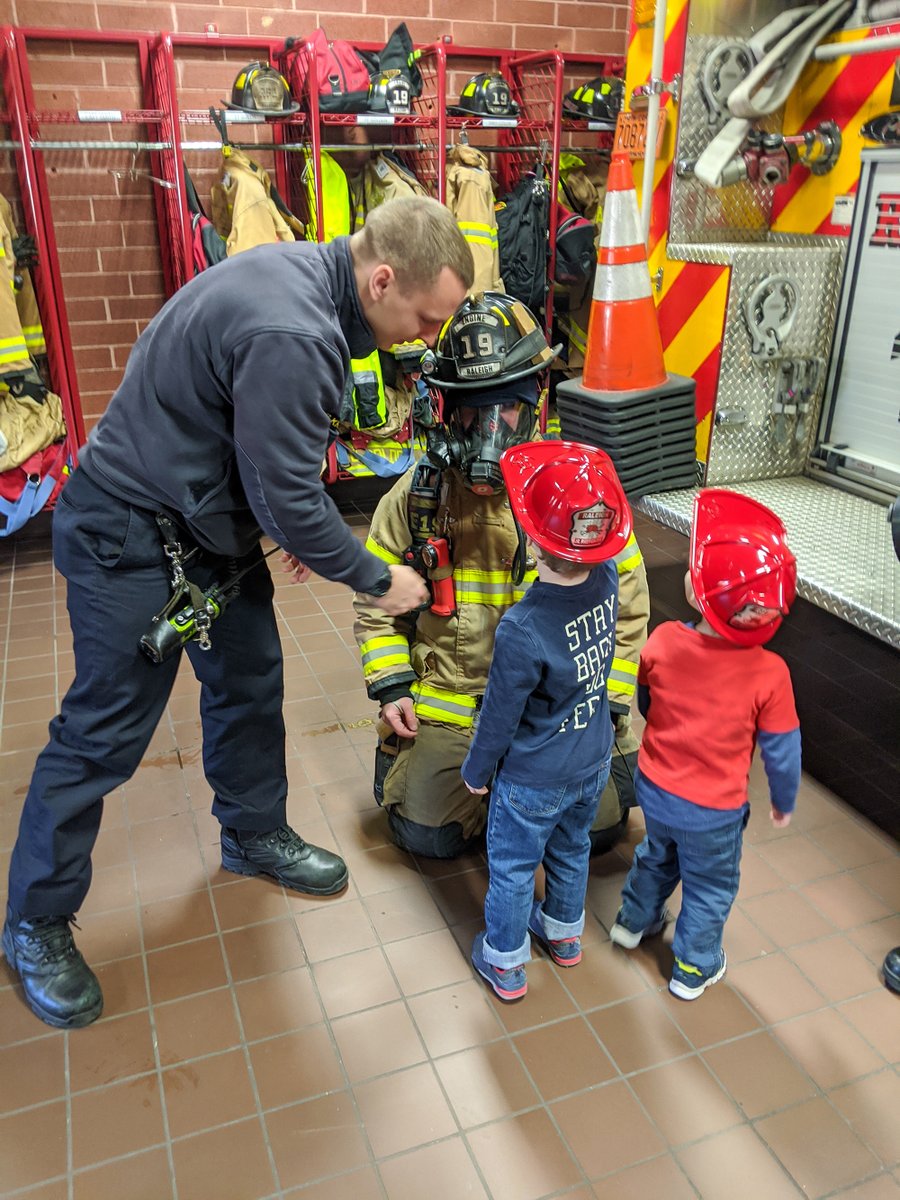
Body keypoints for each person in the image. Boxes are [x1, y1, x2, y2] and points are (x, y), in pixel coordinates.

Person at [2, 196, 474, 1030]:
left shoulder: (311, 286)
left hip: (202, 523)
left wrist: (278, 514)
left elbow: (265, 449)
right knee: (102, 733)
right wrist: (375, 576)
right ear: (382, 280)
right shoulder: (294, 327)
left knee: (250, 682)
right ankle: (33, 921)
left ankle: (252, 833)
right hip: (128, 533)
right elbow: (288, 491)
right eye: (424, 319)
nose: (425, 339)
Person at [352, 291, 650, 860]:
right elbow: (375, 598)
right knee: (426, 836)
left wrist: (608, 700)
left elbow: (628, 602)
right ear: (447, 409)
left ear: (535, 403)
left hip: (557, 708)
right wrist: (391, 685)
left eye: (506, 407)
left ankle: (511, 794)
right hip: (454, 705)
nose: (489, 428)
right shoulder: (417, 498)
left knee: (599, 831)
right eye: (472, 409)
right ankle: (483, 790)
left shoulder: (576, 492)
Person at [610, 489, 801, 1001]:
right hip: (714, 812)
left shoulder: (664, 640)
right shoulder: (771, 673)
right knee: (710, 885)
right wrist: (783, 800)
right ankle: (693, 966)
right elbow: (782, 751)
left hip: (655, 789)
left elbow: (646, 697)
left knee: (657, 855)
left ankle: (632, 921)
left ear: (698, 594)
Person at [464, 441, 632, 1000]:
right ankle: (562, 933)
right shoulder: (608, 578)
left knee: (513, 867)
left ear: (533, 541)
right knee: (572, 847)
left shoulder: (522, 627)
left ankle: (506, 962)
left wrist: (477, 770)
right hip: (591, 759)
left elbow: (499, 717)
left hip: (532, 778)